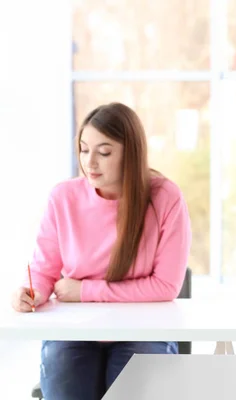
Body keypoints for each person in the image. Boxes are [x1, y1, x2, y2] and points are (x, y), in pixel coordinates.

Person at [10, 102, 192, 400]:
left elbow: (165, 286)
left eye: (104, 152)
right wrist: (34, 292)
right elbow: (43, 272)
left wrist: (85, 291)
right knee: (63, 370)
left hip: (141, 330)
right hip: (73, 330)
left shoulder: (164, 197)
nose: (90, 162)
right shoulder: (63, 197)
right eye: (83, 150)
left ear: (130, 153)